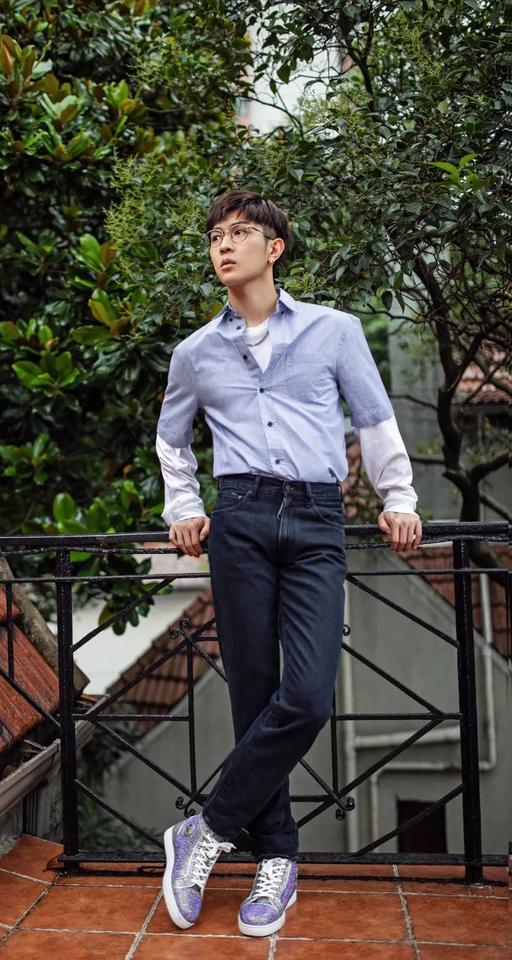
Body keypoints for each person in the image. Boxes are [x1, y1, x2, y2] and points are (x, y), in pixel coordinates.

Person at [156, 189, 422, 938]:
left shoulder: (335, 331)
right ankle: (277, 859)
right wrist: (184, 509)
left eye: (239, 232)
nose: (223, 244)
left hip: (316, 519)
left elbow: (374, 419)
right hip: (238, 519)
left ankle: (205, 830)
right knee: (252, 693)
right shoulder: (195, 353)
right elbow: (172, 439)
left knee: (305, 695)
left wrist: (399, 497)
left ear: (274, 249)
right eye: (215, 235)